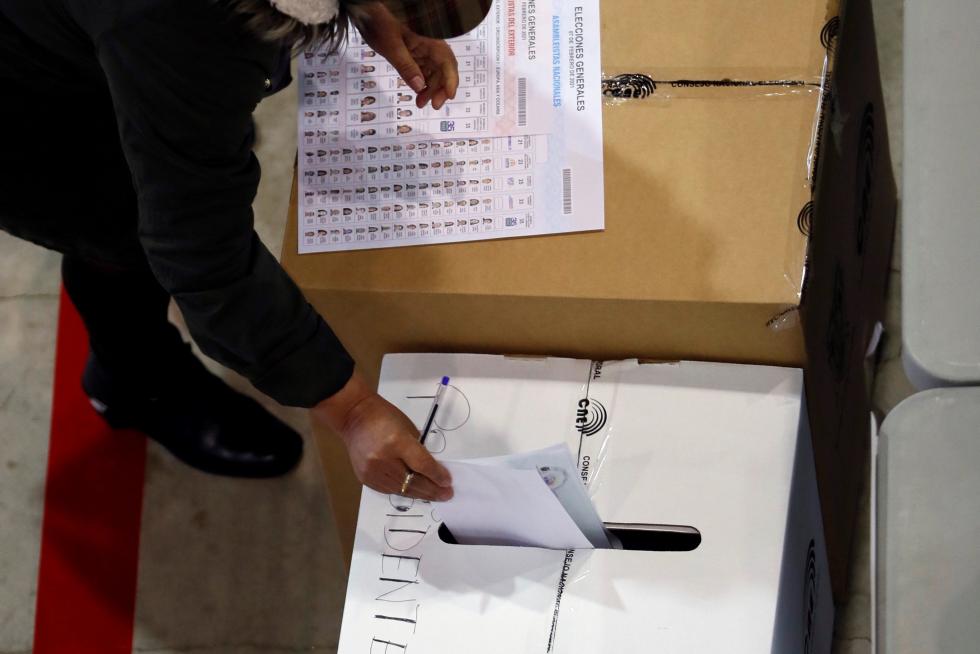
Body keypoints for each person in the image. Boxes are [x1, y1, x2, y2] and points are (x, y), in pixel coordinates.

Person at [0, 0, 487, 500]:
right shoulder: (184, 27)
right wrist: (353, 409)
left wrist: (376, 13)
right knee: (117, 230)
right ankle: (135, 384)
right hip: (23, 105)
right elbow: (203, 255)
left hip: (109, 37)